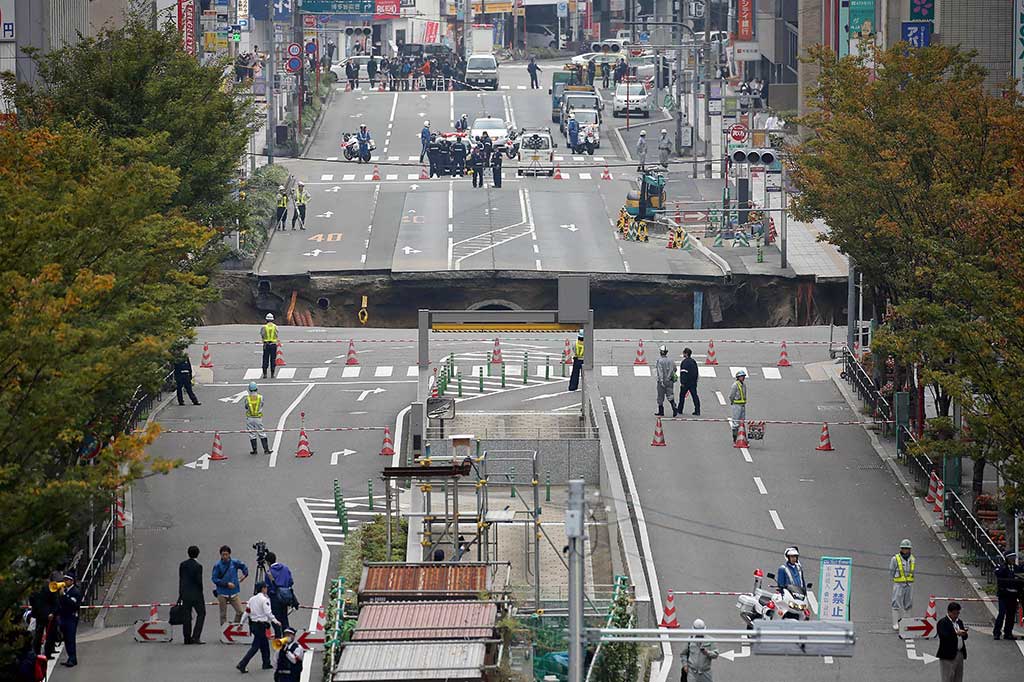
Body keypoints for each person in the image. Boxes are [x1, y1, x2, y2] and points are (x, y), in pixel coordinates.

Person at [236, 582, 280, 673]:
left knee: (264, 644)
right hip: (261, 625)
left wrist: (241, 623)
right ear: (263, 589)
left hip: (253, 625)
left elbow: (247, 612)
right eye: (266, 587)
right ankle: (242, 664)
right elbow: (268, 612)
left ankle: (266, 663)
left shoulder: (251, 599)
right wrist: (275, 621)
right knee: (255, 646)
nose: (267, 589)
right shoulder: (265, 600)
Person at [212, 545, 249, 625]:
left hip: (234, 593)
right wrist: (226, 584)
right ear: (220, 555)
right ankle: (223, 631)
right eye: (223, 554)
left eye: (226, 554)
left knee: (240, 612)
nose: (225, 556)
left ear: (229, 554)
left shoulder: (235, 562)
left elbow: (244, 567)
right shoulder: (217, 565)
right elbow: (214, 579)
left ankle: (233, 627)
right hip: (222, 593)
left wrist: (244, 575)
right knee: (223, 615)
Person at [178, 545, 206, 645]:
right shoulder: (198, 566)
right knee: (201, 613)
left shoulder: (183, 565)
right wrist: (201, 592)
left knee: (187, 616)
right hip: (196, 594)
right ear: (198, 554)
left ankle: (187, 638)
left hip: (185, 594)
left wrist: (180, 594)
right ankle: (196, 636)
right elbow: (199, 581)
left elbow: (181, 580)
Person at [936, 602, 967, 682]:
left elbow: (965, 637)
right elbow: (943, 636)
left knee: (958, 677)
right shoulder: (943, 622)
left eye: (958, 613)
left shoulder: (959, 622)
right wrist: (956, 633)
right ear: (949, 612)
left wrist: (964, 633)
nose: (956, 615)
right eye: (954, 613)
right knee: (947, 678)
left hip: (959, 653)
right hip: (947, 655)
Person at [266, 552, 295, 638]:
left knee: (275, 619)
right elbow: (291, 581)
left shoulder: (269, 573)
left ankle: (278, 637)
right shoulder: (285, 568)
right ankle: (286, 636)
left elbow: (267, 587)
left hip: (275, 598)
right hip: (285, 597)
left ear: (268, 562)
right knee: (284, 617)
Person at [994, 552, 1020, 640]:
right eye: (1011, 557)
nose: (1013, 559)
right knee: (1001, 613)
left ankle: (1008, 632)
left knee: (1011, 614)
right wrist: (1004, 567)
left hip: (1013, 595)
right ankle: (997, 632)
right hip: (1004, 594)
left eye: (1014, 557)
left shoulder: (1017, 568)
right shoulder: (1002, 567)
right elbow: (998, 573)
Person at [890, 539, 915, 631]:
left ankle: (906, 622)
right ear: (901, 549)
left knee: (908, 603)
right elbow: (891, 571)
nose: (905, 550)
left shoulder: (912, 559)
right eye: (904, 548)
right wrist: (896, 579)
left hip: (909, 584)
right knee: (896, 602)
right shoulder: (895, 559)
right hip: (898, 584)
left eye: (907, 548)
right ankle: (895, 623)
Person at [57, 572, 80, 667]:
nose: (65, 582)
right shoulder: (65, 590)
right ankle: (70, 657)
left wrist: (64, 595)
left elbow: (73, 604)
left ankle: (73, 659)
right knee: (66, 639)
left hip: (71, 617)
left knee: (70, 638)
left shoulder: (75, 592)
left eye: (67, 580)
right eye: (64, 580)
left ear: (72, 581)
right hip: (64, 617)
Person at [245, 381, 272, 456]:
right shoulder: (260, 397)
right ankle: (266, 450)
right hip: (258, 418)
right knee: (262, 433)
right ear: (257, 388)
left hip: (250, 418)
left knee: (252, 434)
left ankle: (254, 450)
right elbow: (262, 404)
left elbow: (246, 406)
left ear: (249, 389)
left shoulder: (247, 398)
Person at [654, 345, 678, 417]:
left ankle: (661, 411)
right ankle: (674, 407)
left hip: (662, 382)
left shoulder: (660, 361)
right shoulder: (671, 360)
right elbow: (675, 369)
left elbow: (660, 372)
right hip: (670, 381)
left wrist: (661, 381)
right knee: (670, 395)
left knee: (660, 397)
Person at [678, 348, 701, 415]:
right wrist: (695, 381)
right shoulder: (693, 361)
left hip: (686, 383)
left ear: (686, 354)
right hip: (693, 382)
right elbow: (696, 372)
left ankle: (680, 409)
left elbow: (683, 373)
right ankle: (697, 410)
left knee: (682, 396)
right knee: (694, 396)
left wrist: (682, 382)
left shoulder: (684, 362)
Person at [728, 369, 747, 441]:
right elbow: (731, 395)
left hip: (742, 405)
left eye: (744, 376)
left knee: (742, 422)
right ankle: (735, 437)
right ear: (738, 377)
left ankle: (742, 438)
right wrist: (732, 402)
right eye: (742, 376)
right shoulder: (735, 385)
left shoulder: (744, 385)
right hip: (736, 405)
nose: (743, 378)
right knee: (736, 422)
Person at [261, 313, 278, 379]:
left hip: (266, 345)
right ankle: (272, 374)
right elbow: (276, 334)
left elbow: (262, 334)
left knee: (265, 359)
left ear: (266, 320)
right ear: (272, 320)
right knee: (273, 359)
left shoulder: (264, 327)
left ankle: (265, 374)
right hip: (273, 345)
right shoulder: (275, 327)